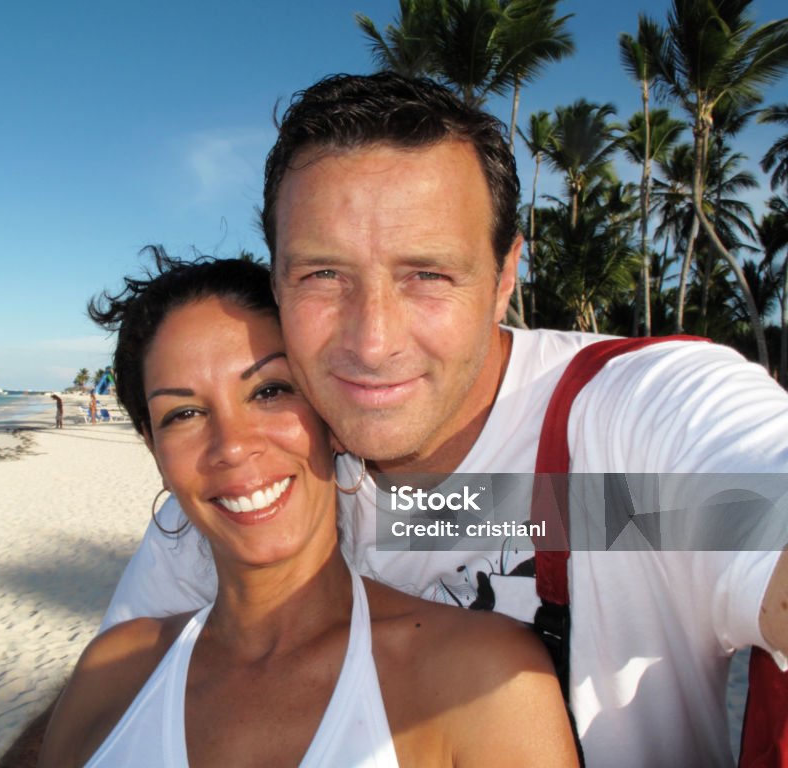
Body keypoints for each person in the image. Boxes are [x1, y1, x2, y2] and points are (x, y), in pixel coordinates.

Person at [102, 74, 788, 767]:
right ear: (276, 280)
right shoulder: (270, 475)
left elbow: (750, 506)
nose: (372, 343)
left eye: (427, 274)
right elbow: (122, 704)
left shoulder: (626, 425)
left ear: (505, 276)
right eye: (321, 276)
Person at [39, 254, 577, 767]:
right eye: (183, 413)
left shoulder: (477, 664)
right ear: (155, 450)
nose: (231, 445)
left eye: (270, 390)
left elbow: (632, 513)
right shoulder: (115, 665)